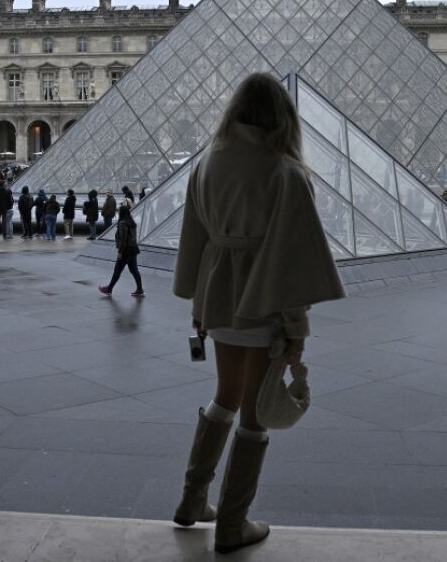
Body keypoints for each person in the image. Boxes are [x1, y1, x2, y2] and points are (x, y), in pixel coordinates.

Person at [170, 73, 345, 554]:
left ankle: (191, 500)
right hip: (263, 302)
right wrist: (296, 329)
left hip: (218, 298)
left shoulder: (207, 163)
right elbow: (292, 260)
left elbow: (193, 240)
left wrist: (196, 301)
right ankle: (233, 523)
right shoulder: (285, 171)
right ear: (282, 117)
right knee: (255, 413)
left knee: (224, 395)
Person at [98, 203, 144, 296]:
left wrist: (120, 252)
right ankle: (140, 289)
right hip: (133, 249)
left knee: (117, 270)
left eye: (119, 211)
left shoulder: (123, 223)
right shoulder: (131, 222)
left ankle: (109, 289)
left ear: (121, 213)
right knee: (134, 270)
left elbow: (123, 240)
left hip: (126, 251)